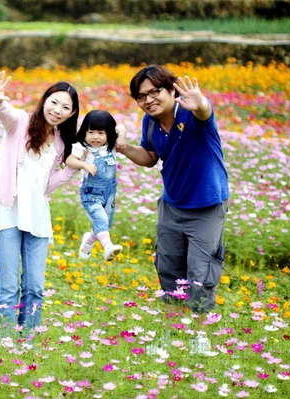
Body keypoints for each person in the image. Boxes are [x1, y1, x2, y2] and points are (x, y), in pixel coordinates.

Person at [116, 65, 229, 354]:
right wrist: (123, 147)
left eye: (155, 92)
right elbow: (150, 157)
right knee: (168, 268)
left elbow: (204, 112)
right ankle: (171, 334)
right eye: (141, 96)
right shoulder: (150, 122)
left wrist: (200, 103)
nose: (148, 99)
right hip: (172, 204)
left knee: (200, 273)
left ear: (171, 90)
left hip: (205, 206)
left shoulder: (193, 113)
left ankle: (199, 338)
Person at [0, 71, 80, 336]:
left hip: (38, 217)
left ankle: (27, 341)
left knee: (34, 287)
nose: (58, 110)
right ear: (44, 101)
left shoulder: (62, 143)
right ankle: (5, 343)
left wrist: (74, 169)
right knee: (8, 286)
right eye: (54, 102)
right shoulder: (21, 123)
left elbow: (46, 186)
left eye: (66, 107)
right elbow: (6, 113)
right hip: (8, 212)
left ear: (72, 114)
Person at [66, 110, 123, 261]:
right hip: (91, 193)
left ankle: (89, 240)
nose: (95, 137)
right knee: (101, 221)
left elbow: (121, 128)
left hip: (109, 194)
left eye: (101, 133)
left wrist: (121, 138)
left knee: (103, 224)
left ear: (109, 134)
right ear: (84, 132)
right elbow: (70, 160)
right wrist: (84, 164)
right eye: (91, 132)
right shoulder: (83, 147)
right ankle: (108, 248)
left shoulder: (111, 147)